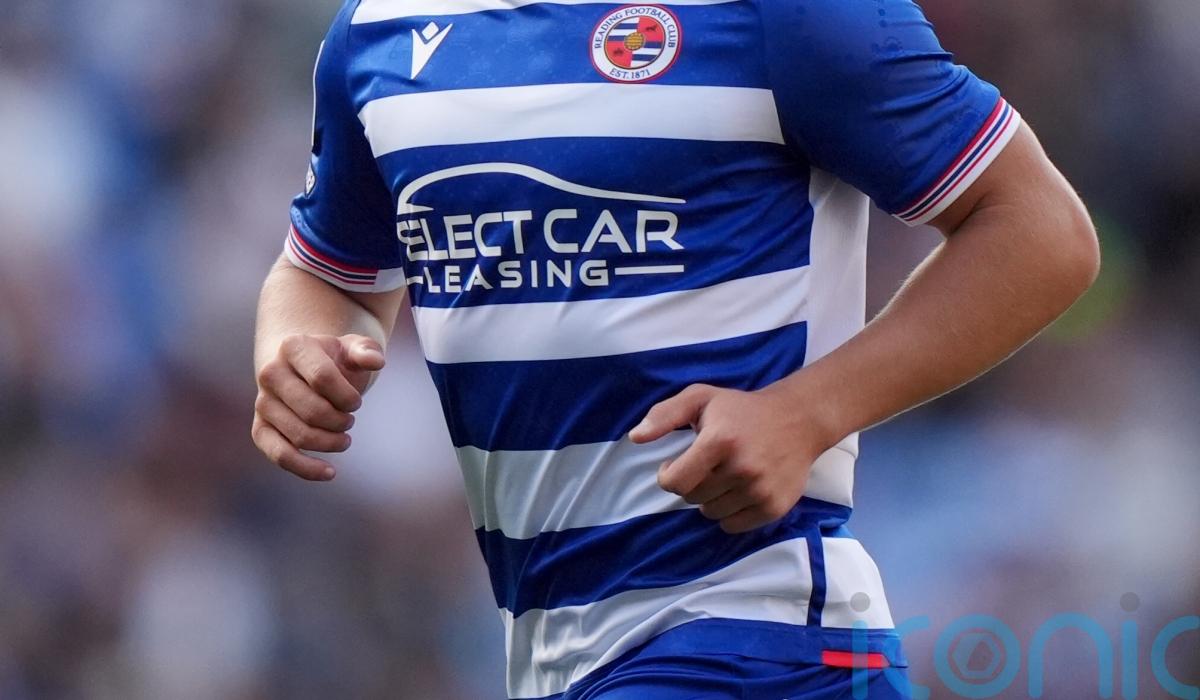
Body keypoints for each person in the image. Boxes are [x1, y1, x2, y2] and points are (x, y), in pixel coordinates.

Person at [251, 0, 1099, 696]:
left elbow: (1041, 231)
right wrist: (296, 348)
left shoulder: (791, 14)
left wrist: (808, 412)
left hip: (751, 636)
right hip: (556, 652)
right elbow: (326, 273)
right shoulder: (378, 29)